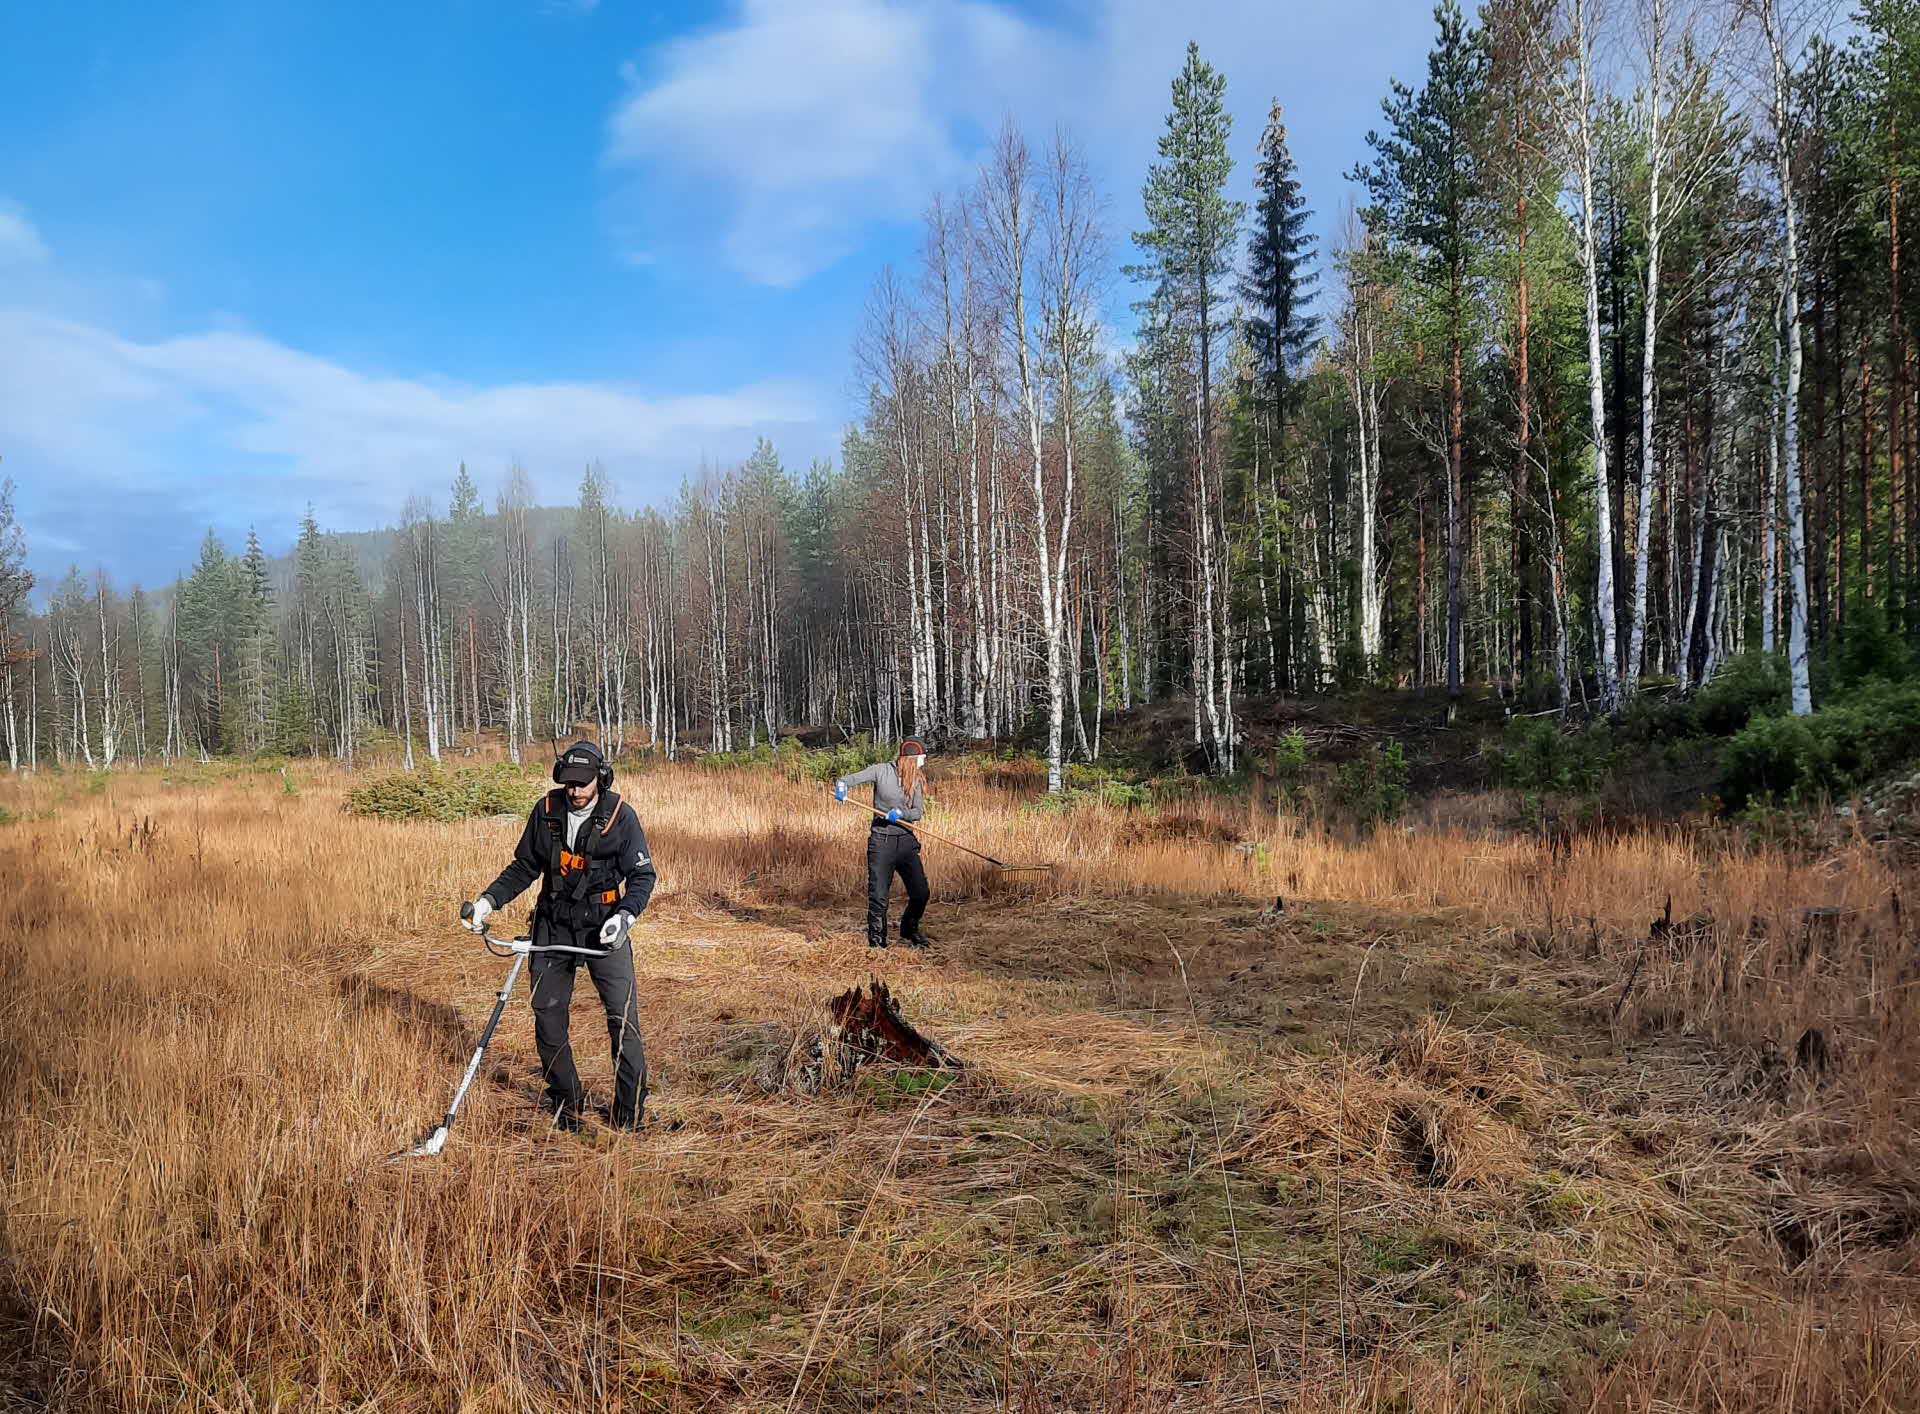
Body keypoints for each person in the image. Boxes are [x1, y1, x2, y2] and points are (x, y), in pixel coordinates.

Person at [464, 740, 657, 1132]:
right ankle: (567, 1103)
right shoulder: (546, 811)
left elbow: (642, 876)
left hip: (605, 925)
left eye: (583, 784)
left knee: (623, 1019)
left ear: (601, 779)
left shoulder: (621, 817)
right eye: (568, 783)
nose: (575, 791)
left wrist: (625, 916)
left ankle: (629, 1114)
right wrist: (488, 901)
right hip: (553, 924)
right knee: (547, 1016)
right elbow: (525, 867)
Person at [834, 740, 932, 949]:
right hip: (881, 842)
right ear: (911, 759)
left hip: (906, 842)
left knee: (921, 892)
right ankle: (877, 943)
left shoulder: (915, 780)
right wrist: (842, 786)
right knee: (878, 896)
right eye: (921, 759)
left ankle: (909, 928)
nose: (923, 763)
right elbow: (848, 780)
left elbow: (917, 813)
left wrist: (901, 814)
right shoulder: (881, 771)